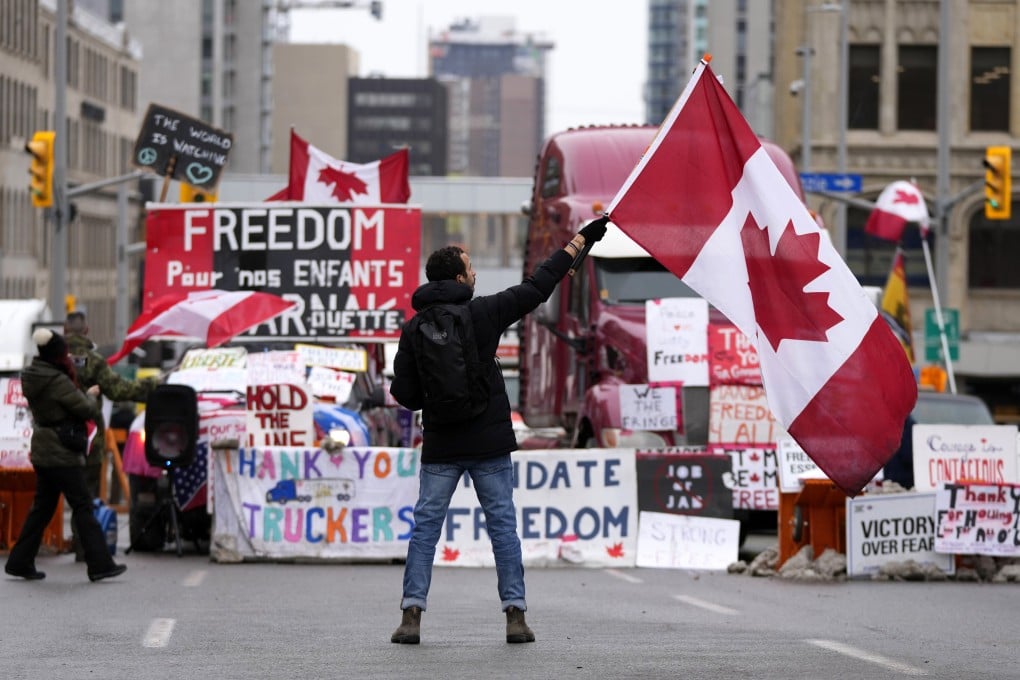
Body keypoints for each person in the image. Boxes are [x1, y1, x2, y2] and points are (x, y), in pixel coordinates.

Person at [388, 216, 609, 645]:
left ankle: (411, 615)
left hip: (440, 447)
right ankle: (515, 616)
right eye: (471, 270)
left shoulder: (413, 328)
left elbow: (406, 395)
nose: (475, 275)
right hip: (488, 444)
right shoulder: (483, 313)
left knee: (425, 530)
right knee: (502, 528)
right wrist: (580, 241)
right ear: (458, 278)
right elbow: (537, 287)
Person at [4, 329, 127, 582]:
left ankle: (19, 561)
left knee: (42, 508)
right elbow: (84, 409)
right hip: (61, 452)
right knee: (82, 504)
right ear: (56, 355)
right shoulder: (57, 381)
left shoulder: (31, 375)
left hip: (42, 449)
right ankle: (100, 563)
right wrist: (90, 396)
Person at [64, 311, 158, 560]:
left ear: (64, 331)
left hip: (56, 437)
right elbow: (118, 389)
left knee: (48, 496)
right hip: (87, 437)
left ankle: (27, 551)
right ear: (86, 331)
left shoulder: (53, 359)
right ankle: (84, 548)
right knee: (87, 494)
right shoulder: (93, 361)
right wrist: (151, 387)